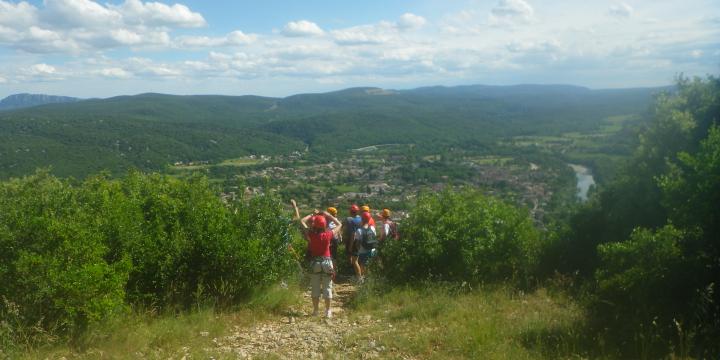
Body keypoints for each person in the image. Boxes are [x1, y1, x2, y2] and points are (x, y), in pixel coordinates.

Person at [299, 209, 342, 318]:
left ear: (315, 224)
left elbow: (302, 221)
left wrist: (312, 214)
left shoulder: (311, 234)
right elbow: (339, 224)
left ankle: (315, 311)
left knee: (315, 288)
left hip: (315, 263)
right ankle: (328, 311)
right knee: (327, 287)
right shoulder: (328, 234)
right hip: (327, 262)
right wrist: (329, 215)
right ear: (324, 225)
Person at [351, 211, 377, 283]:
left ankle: (363, 282)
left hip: (363, 251)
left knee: (363, 267)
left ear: (362, 219)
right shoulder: (372, 228)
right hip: (372, 250)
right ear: (369, 219)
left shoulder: (359, 231)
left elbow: (357, 244)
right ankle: (370, 280)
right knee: (369, 267)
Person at [343, 204, 362, 276]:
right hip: (360, 241)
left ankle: (358, 277)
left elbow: (352, 234)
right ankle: (354, 273)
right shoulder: (360, 219)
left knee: (354, 260)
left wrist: (350, 246)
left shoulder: (351, 221)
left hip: (353, 241)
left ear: (351, 212)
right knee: (356, 259)